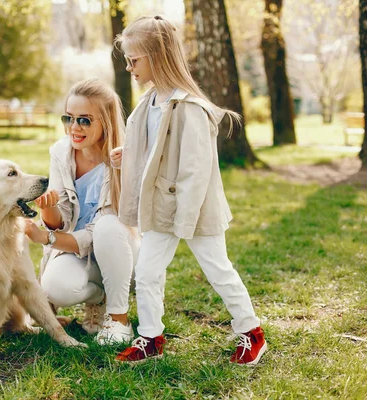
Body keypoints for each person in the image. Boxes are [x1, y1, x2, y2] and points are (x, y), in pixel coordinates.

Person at [110, 15, 266, 365]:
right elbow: (156, 149)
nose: (129, 67)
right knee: (148, 272)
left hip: (194, 210)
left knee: (218, 269)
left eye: (135, 60)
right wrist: (131, 155)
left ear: (157, 56)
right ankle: (151, 337)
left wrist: (185, 220)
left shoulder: (190, 108)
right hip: (160, 207)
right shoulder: (150, 102)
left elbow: (195, 170)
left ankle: (251, 331)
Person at [24, 78, 140, 346]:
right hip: (77, 250)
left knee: (107, 228)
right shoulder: (61, 153)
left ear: (106, 122)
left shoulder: (122, 158)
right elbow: (60, 222)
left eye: (85, 120)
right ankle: (98, 297)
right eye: (69, 118)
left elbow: (99, 230)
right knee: (55, 287)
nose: (74, 128)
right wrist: (49, 208)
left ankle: (117, 315)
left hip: (124, 251)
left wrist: (47, 239)